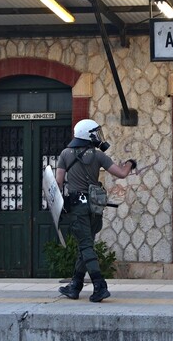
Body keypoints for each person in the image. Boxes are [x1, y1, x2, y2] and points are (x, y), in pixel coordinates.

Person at [55, 119, 136, 303]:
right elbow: (122, 173)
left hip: (77, 207)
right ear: (88, 135)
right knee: (86, 245)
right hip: (95, 207)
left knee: (85, 246)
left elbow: (58, 183)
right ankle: (75, 286)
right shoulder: (99, 156)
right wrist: (131, 163)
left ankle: (100, 286)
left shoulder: (65, 154)